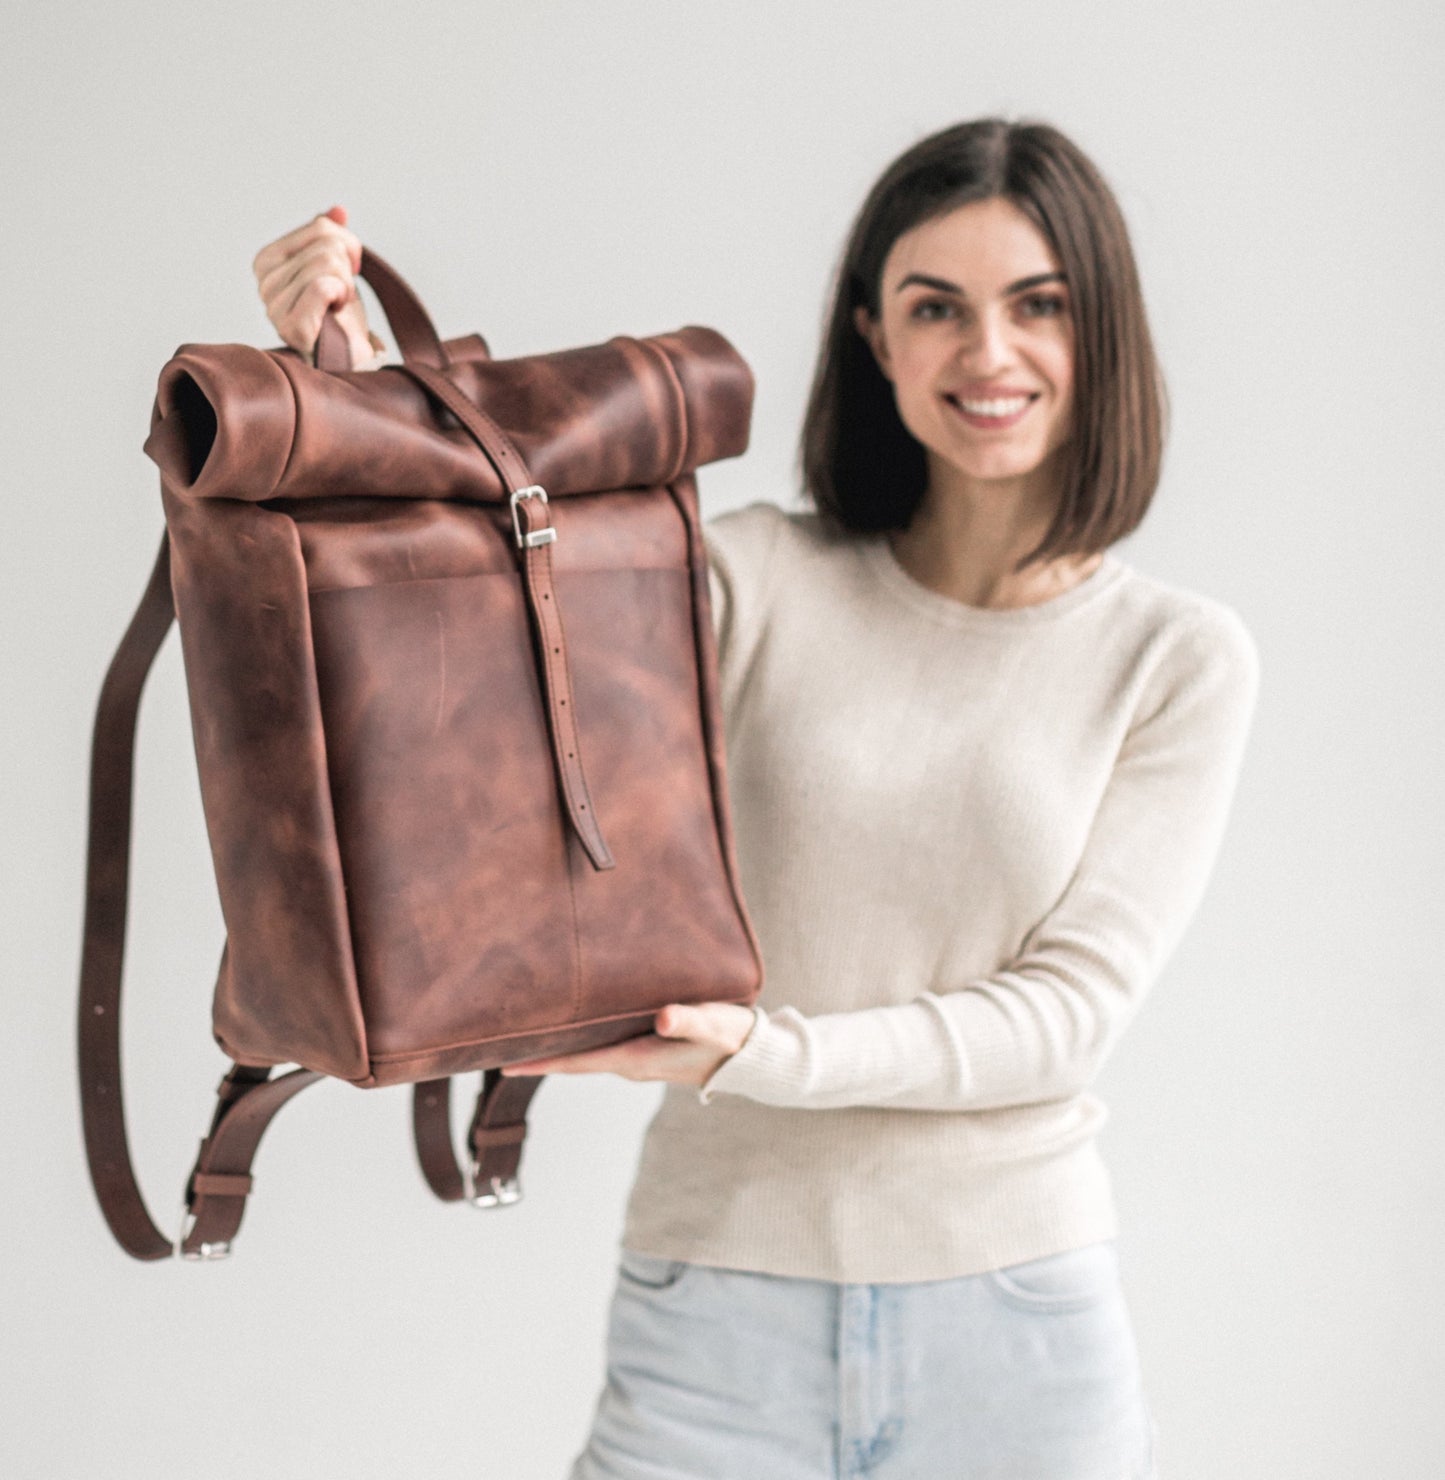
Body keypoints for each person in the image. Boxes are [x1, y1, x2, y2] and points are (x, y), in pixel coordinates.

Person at [253, 116, 1259, 1480]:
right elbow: (459, 708)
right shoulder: (743, 580)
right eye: (933, 308)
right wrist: (354, 398)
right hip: (714, 1309)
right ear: (871, 337)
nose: (987, 355)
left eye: (1039, 306)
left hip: (1016, 1328)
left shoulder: (1172, 659)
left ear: (1104, 336)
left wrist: (756, 1056)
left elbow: (1064, 1018)